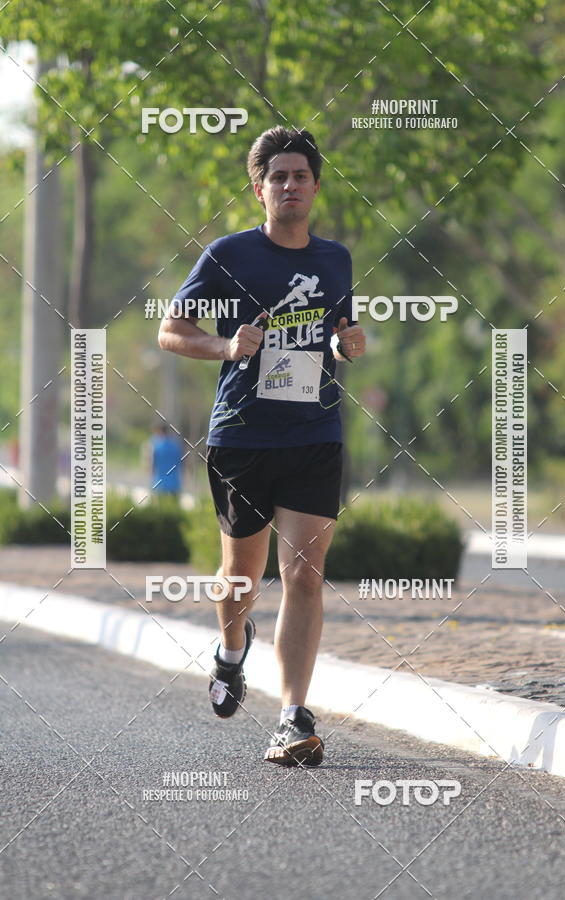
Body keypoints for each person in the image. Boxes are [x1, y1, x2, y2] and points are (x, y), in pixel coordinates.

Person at [158, 126, 366, 766]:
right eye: (278, 177)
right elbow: (172, 331)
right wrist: (225, 347)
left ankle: (292, 715)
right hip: (242, 436)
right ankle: (229, 650)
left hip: (314, 433)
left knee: (304, 572)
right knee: (241, 577)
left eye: (300, 175)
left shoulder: (335, 260)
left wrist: (347, 345)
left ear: (316, 187)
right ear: (260, 190)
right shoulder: (229, 256)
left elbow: (341, 331)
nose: (290, 186)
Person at [149, 424, 183, 496]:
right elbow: (181, 463)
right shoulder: (176, 446)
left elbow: (153, 465)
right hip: (174, 483)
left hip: (160, 483)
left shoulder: (157, 446)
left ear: (160, 432)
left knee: (161, 506)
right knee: (174, 505)